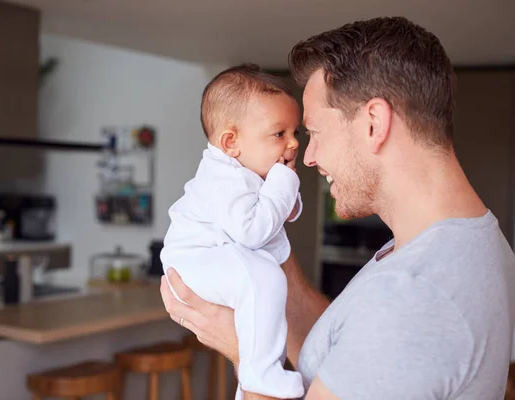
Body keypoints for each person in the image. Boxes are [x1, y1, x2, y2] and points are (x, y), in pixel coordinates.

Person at [160, 16, 515, 400]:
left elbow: (386, 334)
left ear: (373, 123)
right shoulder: (458, 243)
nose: (306, 156)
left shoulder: (412, 297)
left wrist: (245, 353)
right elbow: (347, 355)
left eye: (313, 133)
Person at [160, 64, 305, 399]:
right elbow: (254, 231)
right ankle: (259, 374)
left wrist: (282, 187)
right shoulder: (222, 178)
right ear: (231, 142)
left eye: (295, 132)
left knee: (264, 312)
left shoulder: (243, 170)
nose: (294, 144)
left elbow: (282, 212)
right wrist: (284, 181)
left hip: (217, 257)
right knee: (264, 280)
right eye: (279, 134)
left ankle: (254, 377)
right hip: (195, 261)